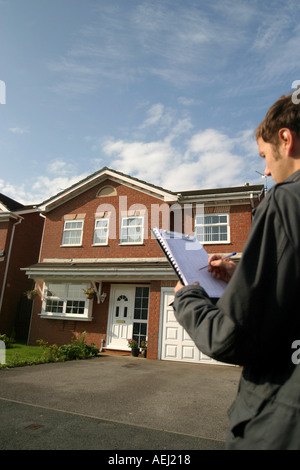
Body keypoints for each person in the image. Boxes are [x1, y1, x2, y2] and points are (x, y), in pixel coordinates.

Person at [173, 92, 300, 450]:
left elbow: (232, 338)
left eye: (264, 156)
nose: (265, 171)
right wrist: (242, 276)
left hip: (281, 421)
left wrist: (189, 298)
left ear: (286, 140)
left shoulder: (284, 201)